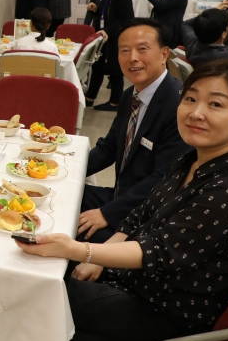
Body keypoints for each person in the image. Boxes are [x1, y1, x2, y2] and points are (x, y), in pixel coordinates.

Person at [17, 59, 228, 341]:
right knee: (35, 271)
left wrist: (80, 251)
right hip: (137, 281)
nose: (196, 113)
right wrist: (97, 257)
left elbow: (158, 252)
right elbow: (142, 213)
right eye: (190, 99)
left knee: (32, 291)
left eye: (215, 104)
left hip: (166, 311)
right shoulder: (194, 159)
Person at [76, 19, 191, 244]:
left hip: (149, 218)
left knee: (70, 230)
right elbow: (109, 148)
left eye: (142, 49)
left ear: (164, 54)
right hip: (122, 196)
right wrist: (69, 170)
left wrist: (107, 214)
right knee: (57, 195)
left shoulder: (178, 106)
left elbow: (164, 179)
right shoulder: (131, 95)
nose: (133, 58)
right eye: (124, 51)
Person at [85, 0, 135, 110]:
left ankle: (115, 102)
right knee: (97, 67)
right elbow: (105, 12)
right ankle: (90, 98)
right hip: (104, 37)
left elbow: (126, 20)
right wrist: (96, 9)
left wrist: (109, 30)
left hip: (116, 38)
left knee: (115, 71)